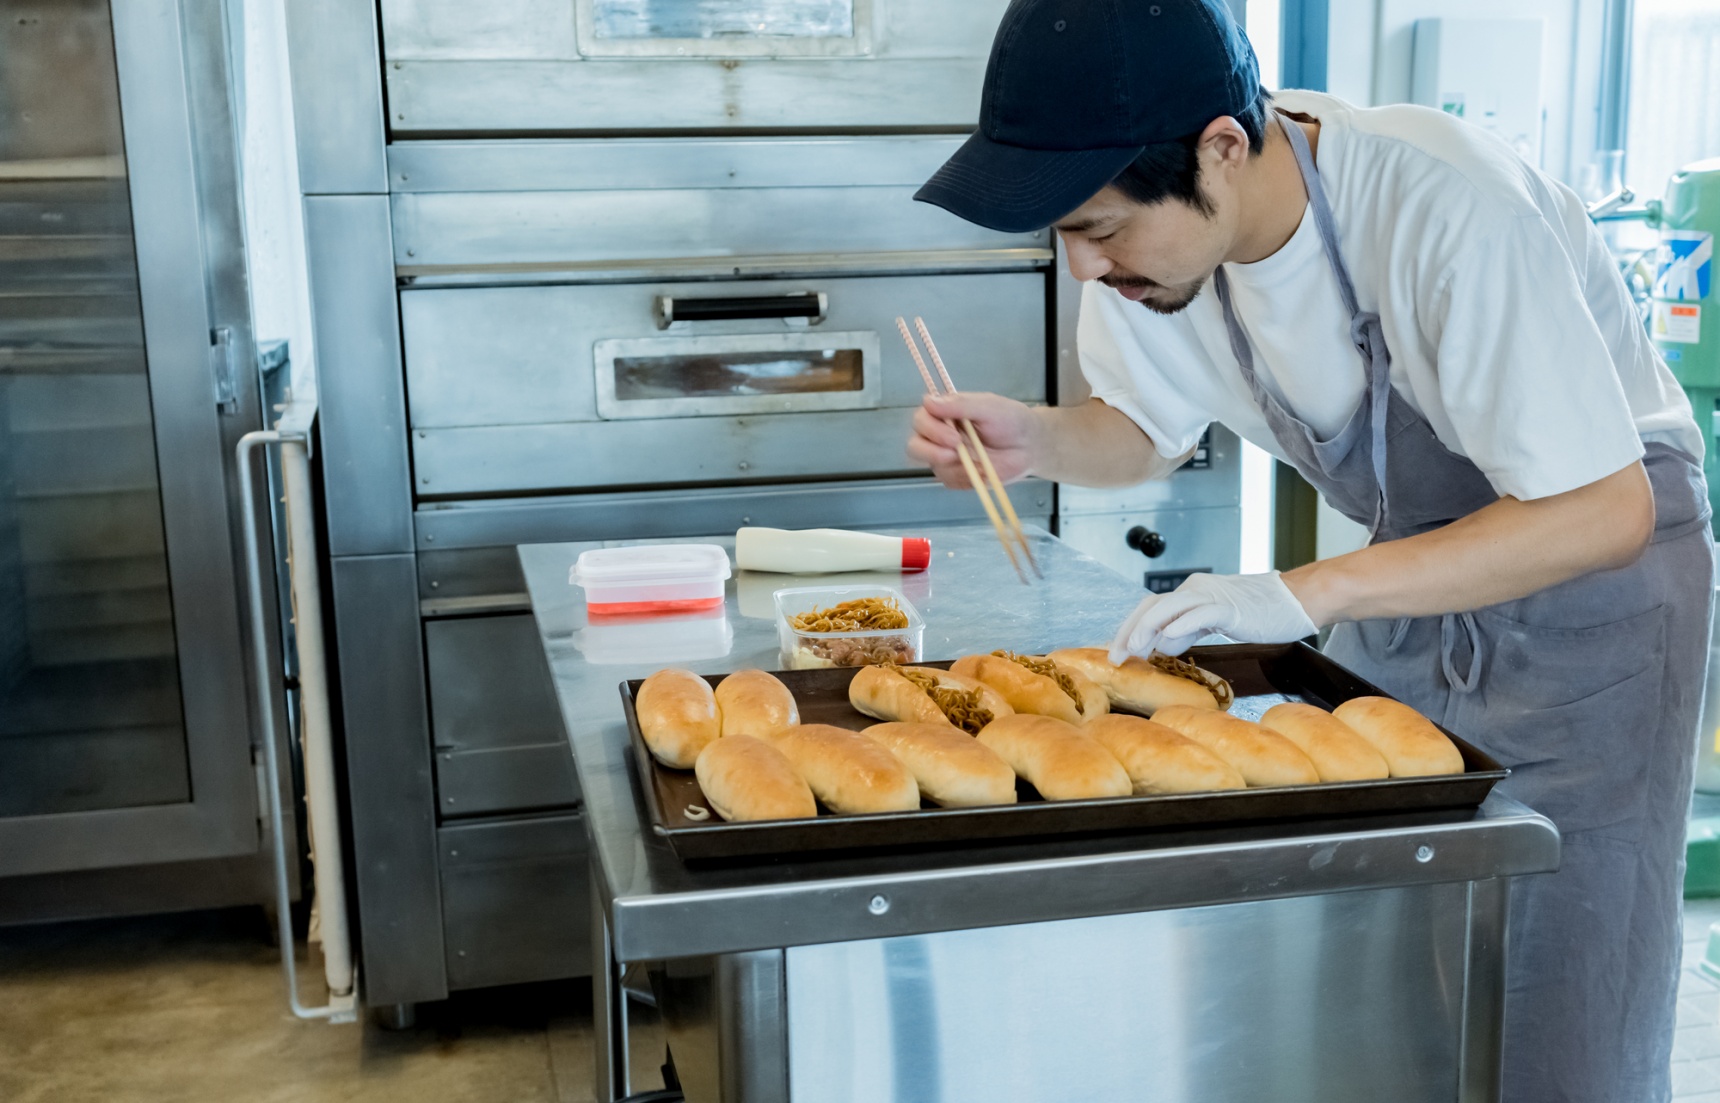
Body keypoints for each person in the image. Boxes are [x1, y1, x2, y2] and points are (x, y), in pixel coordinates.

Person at [905, 1, 1713, 1099]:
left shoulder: (1439, 202)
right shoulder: (1161, 259)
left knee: (1556, 965)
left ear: (1221, 149)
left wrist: (1295, 593)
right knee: (1386, 936)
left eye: (1098, 227)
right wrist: (1036, 439)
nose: (1083, 265)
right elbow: (1143, 427)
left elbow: (1596, 507)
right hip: (1410, 565)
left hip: (1594, 586)